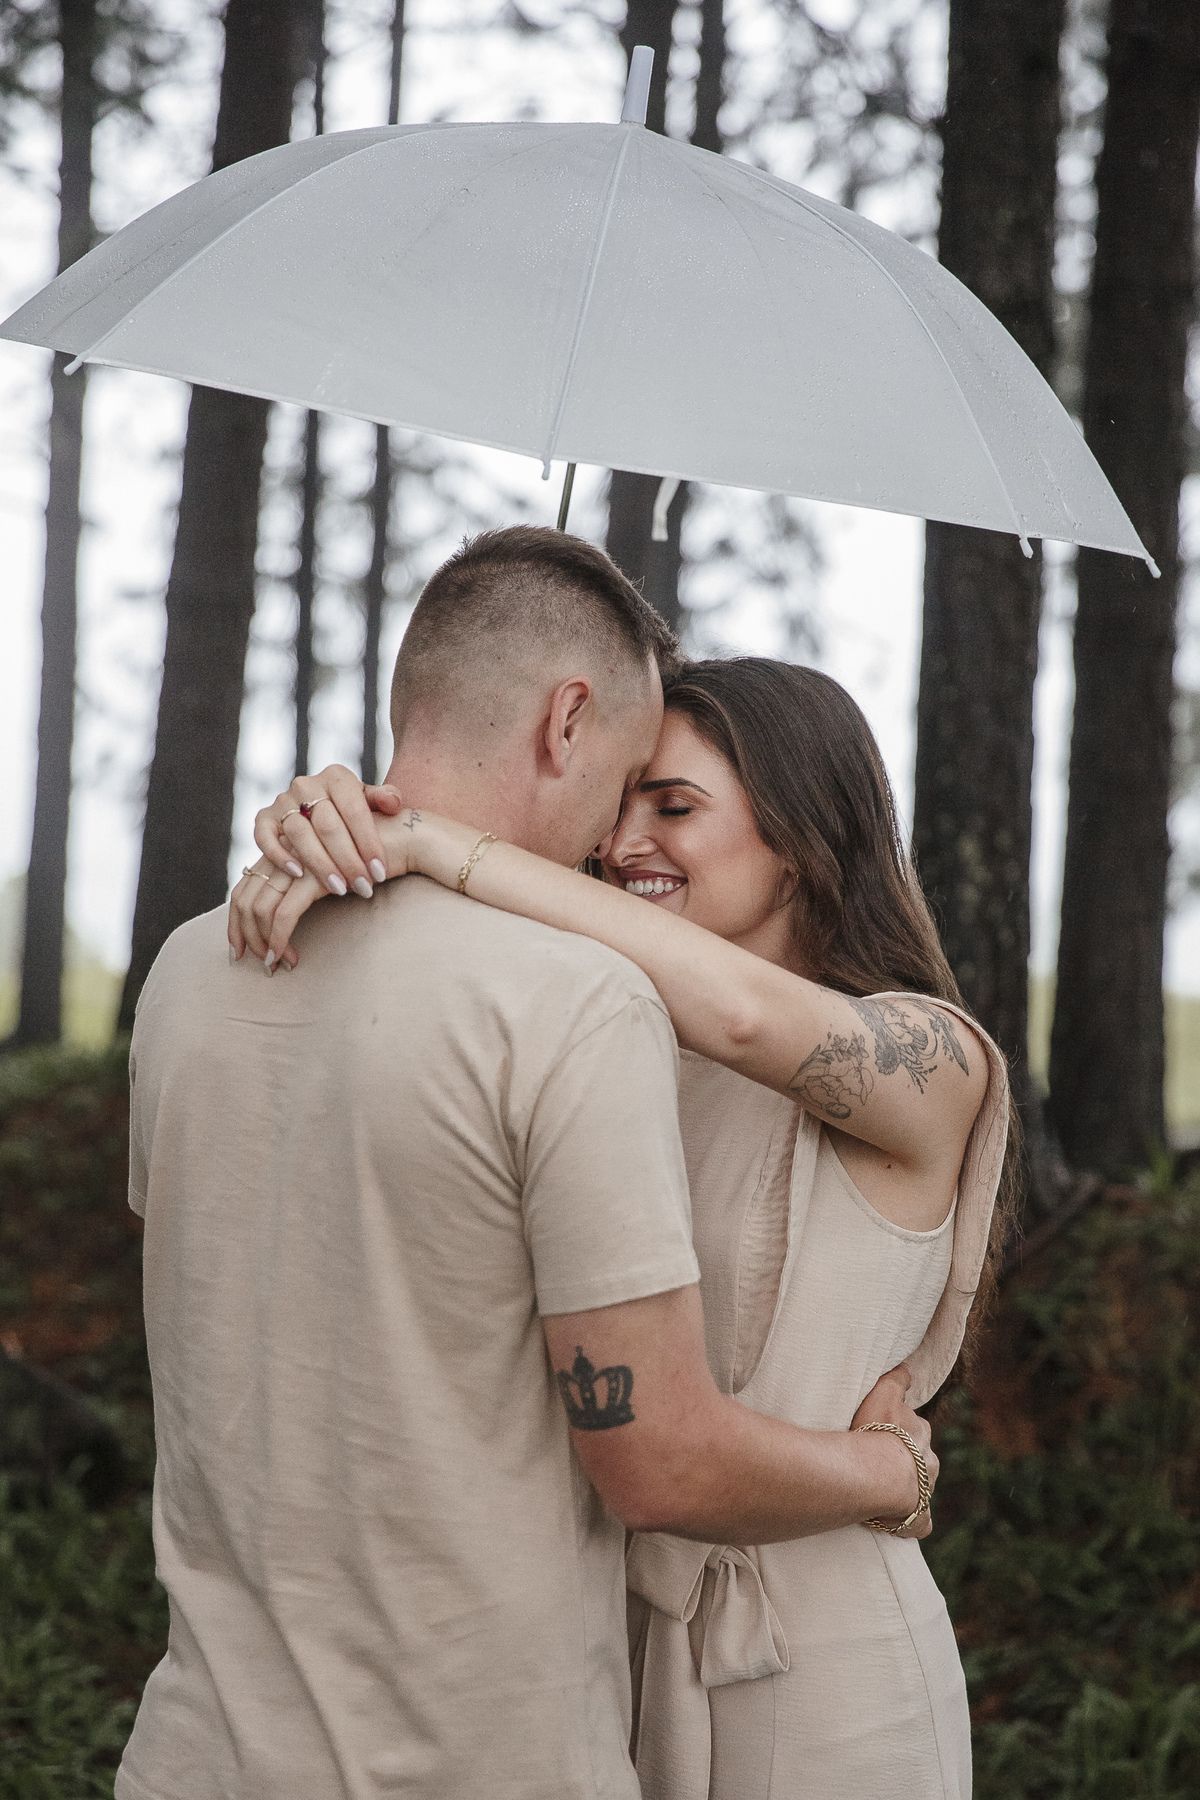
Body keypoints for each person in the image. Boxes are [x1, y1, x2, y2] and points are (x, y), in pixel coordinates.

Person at [122, 528, 935, 1800]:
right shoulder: (579, 1007)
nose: (617, 837)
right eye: (628, 780)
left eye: (671, 804)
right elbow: (657, 1458)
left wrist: (398, 834)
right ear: (568, 721)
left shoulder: (192, 963)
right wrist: (891, 1469)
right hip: (474, 1759)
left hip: (199, 1753)